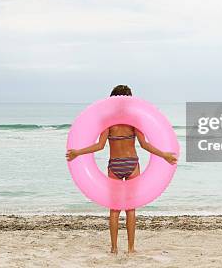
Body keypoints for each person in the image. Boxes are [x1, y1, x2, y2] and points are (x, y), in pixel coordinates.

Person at [66, 85, 177, 254]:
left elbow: (100, 145)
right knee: (131, 208)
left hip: (115, 165)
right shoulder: (135, 120)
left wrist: (78, 153)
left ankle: (114, 248)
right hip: (132, 163)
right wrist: (164, 155)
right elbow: (144, 145)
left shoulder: (108, 121)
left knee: (115, 209)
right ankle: (131, 249)